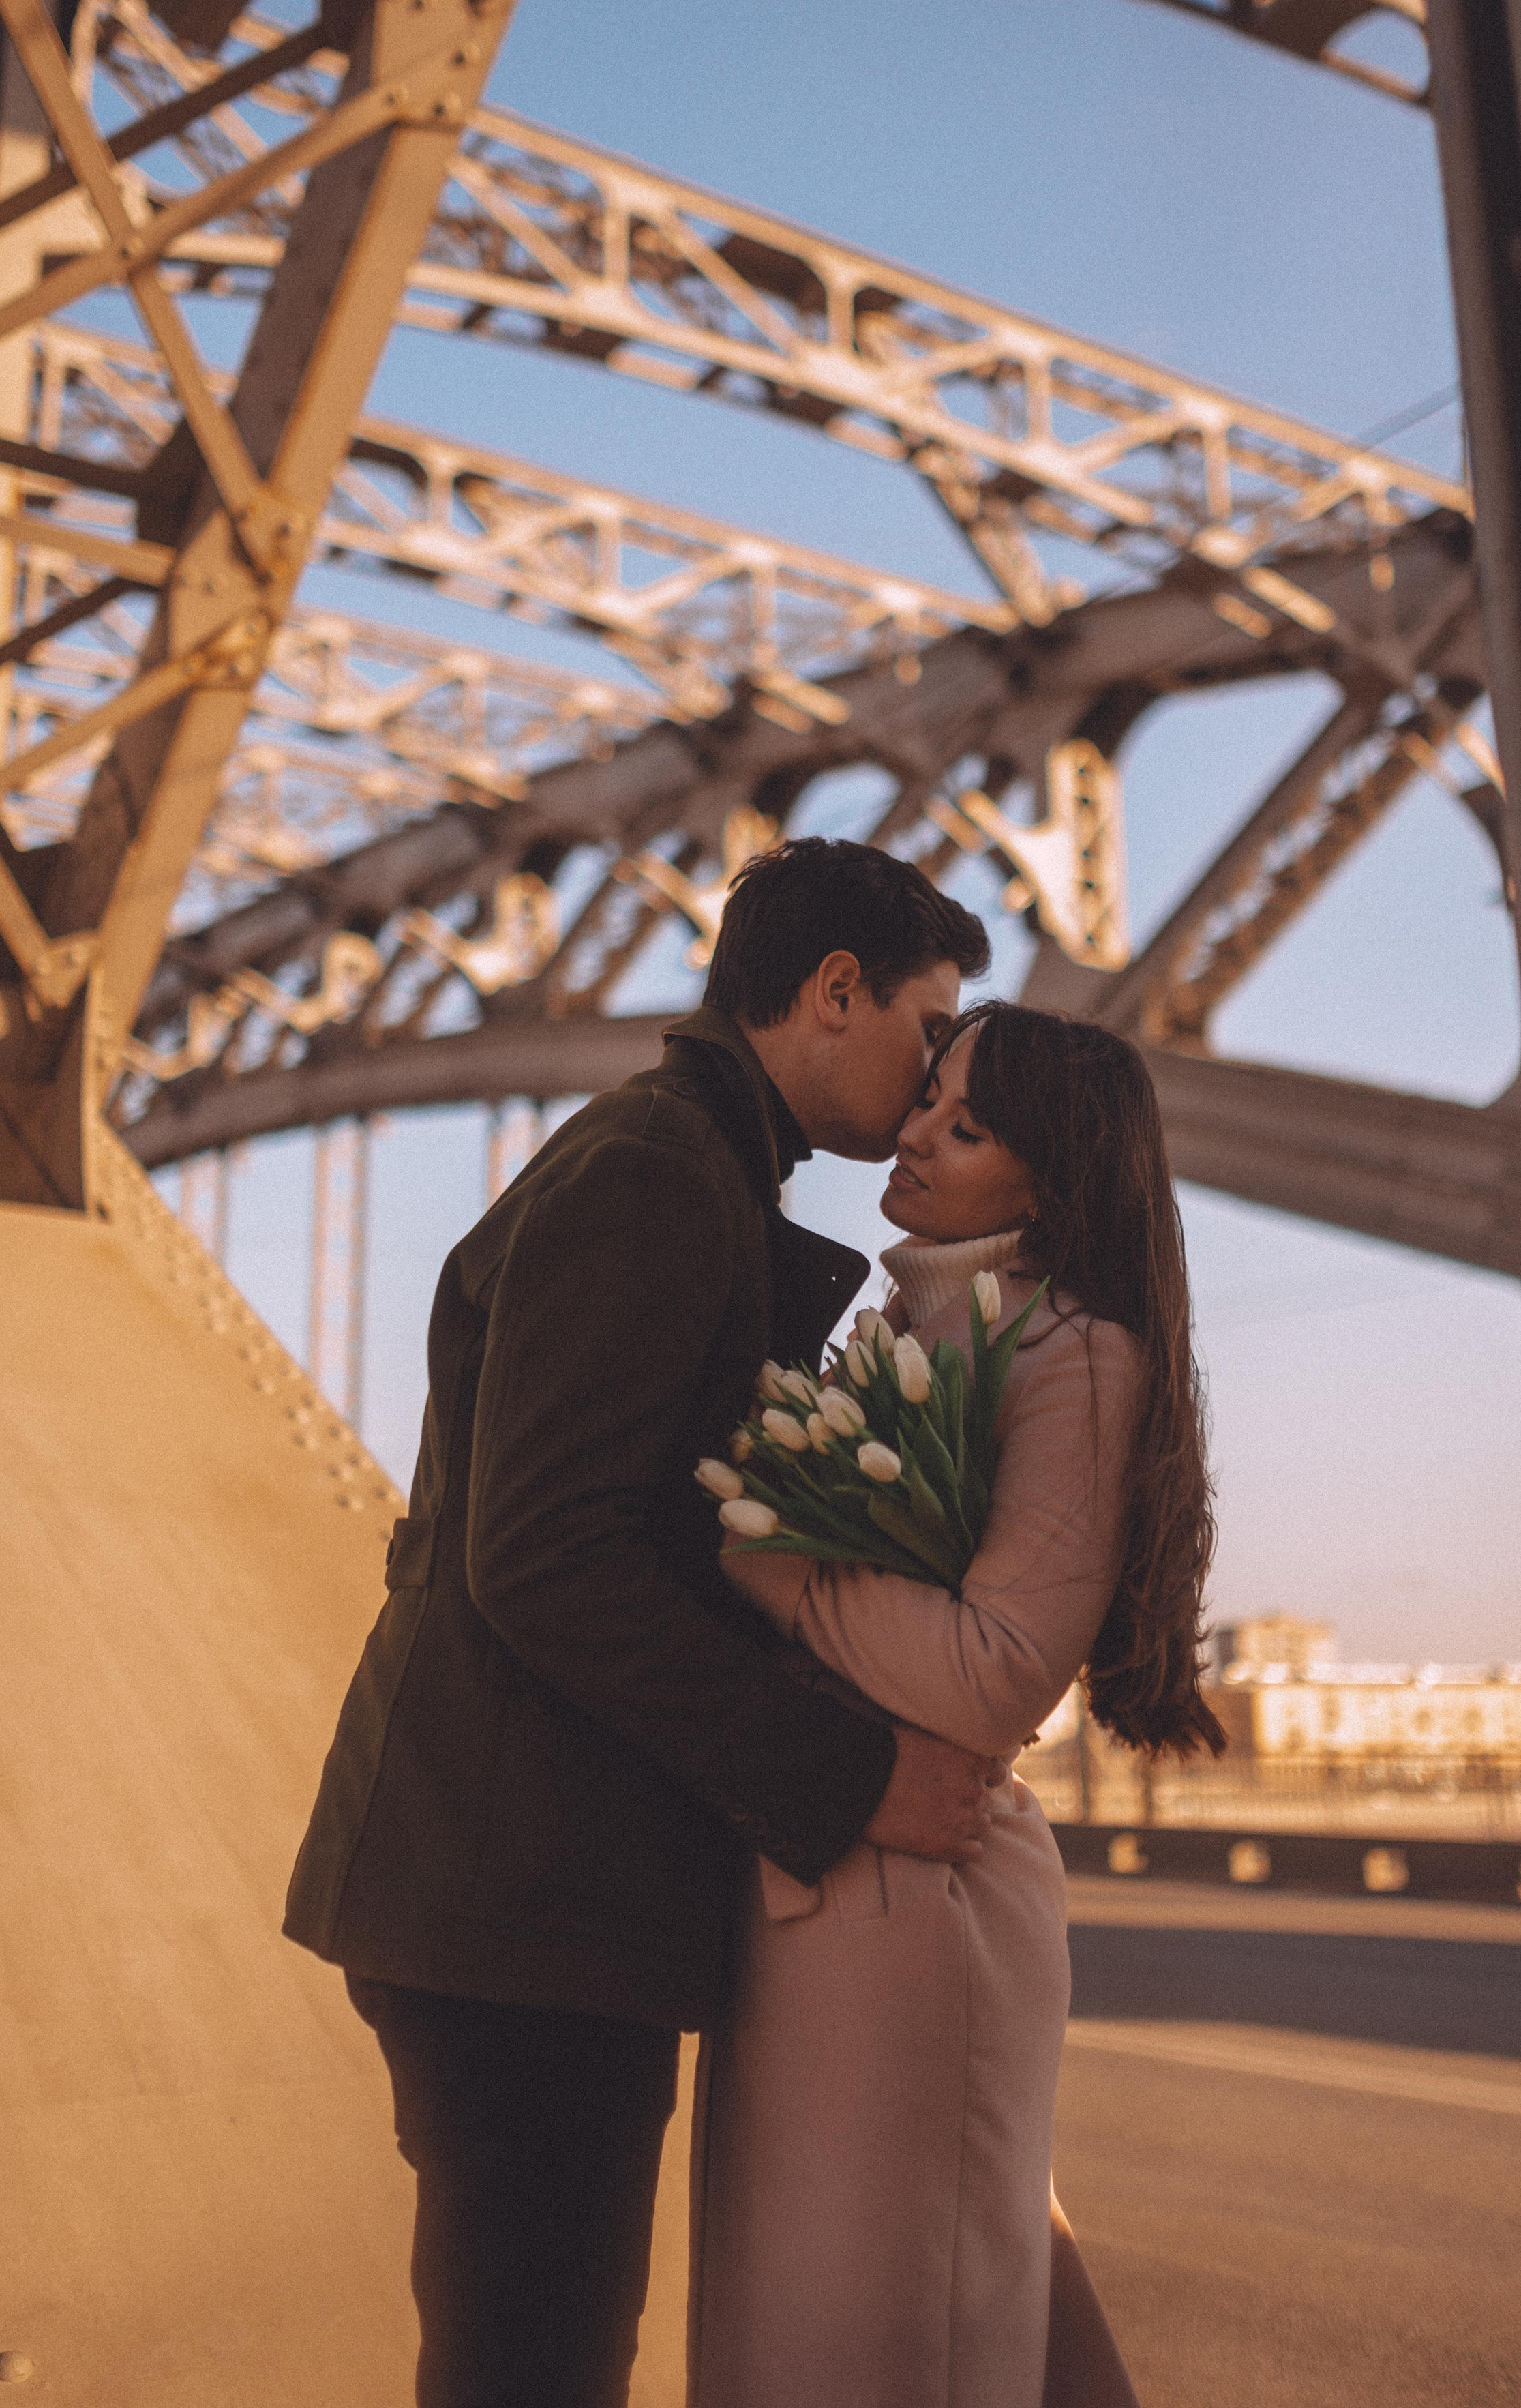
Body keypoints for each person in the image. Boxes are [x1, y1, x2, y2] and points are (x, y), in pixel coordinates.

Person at [283, 837, 997, 2408]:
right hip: (521, 1899)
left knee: (527, 2355)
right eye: (929, 1025)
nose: (942, 1067)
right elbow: (545, 1557)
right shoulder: (659, 1172)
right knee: (533, 2367)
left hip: (519, 1885)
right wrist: (847, 1774)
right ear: (831, 993)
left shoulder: (680, 1160)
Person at [697, 1000, 1226, 2408]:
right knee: (870, 2329)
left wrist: (764, 1558)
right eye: (928, 1096)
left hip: (913, 1912)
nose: (915, 1129)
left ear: (1046, 1183)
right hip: (815, 1888)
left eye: (967, 1124)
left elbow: (994, 1679)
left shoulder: (1074, 1355)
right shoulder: (908, 1323)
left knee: (877, 2346)